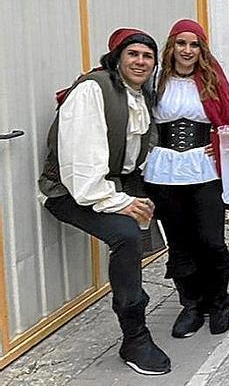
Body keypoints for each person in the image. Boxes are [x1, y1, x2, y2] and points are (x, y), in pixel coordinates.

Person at [39, 28, 170, 375]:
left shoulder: (141, 94)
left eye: (147, 56)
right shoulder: (92, 90)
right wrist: (118, 202)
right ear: (117, 58)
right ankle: (134, 336)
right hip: (71, 190)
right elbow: (80, 168)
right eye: (133, 55)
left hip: (115, 182)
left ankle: (197, 296)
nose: (141, 61)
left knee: (174, 203)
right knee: (126, 235)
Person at [143, 19, 229, 340]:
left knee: (211, 241)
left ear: (201, 49)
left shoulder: (211, 81)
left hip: (203, 169)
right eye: (181, 43)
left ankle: (218, 301)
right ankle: (191, 305)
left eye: (194, 45)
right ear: (172, 46)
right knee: (179, 244)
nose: (187, 50)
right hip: (163, 170)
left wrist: (218, 140)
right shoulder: (155, 80)